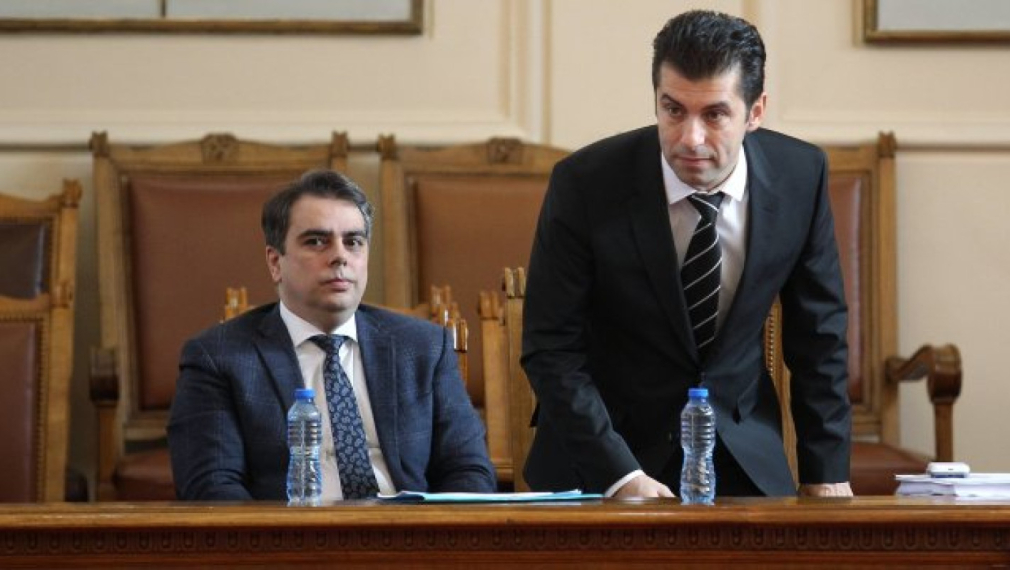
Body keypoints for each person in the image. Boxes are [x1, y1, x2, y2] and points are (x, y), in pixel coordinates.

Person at [522, 10, 852, 498]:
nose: (690, 139)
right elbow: (551, 348)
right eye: (673, 110)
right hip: (604, 458)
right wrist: (620, 476)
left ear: (755, 112)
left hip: (742, 453)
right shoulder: (586, 183)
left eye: (715, 115)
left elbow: (819, 337)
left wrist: (826, 474)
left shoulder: (800, 176)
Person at [168, 170, 496, 500]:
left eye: (353, 242)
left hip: (406, 528)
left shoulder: (425, 347)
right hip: (288, 531)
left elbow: (468, 469)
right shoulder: (218, 357)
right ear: (275, 262)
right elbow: (212, 488)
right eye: (316, 241)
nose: (340, 256)